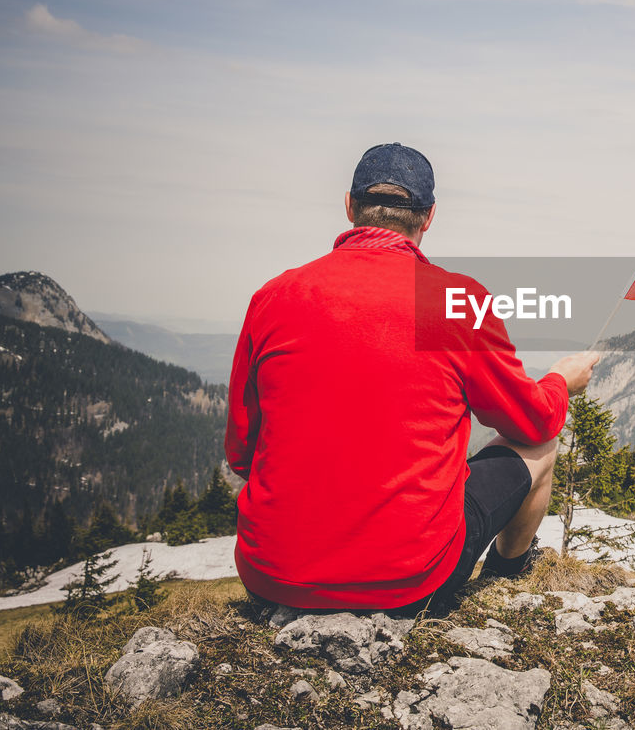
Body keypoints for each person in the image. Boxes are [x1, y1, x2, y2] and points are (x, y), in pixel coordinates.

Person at [224, 142, 599, 614]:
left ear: (349, 207)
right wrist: (561, 381)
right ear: (429, 217)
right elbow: (534, 421)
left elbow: (242, 453)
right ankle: (509, 574)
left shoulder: (273, 297)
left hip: (271, 579)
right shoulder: (454, 302)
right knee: (541, 447)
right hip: (408, 586)